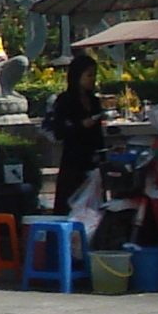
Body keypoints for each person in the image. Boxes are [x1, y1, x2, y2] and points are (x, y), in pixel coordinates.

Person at [46, 51, 109, 215]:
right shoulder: (66, 100)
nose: (92, 80)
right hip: (73, 160)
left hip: (92, 157)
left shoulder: (94, 101)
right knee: (70, 202)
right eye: (88, 75)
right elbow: (60, 131)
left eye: (94, 76)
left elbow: (98, 133)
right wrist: (81, 125)